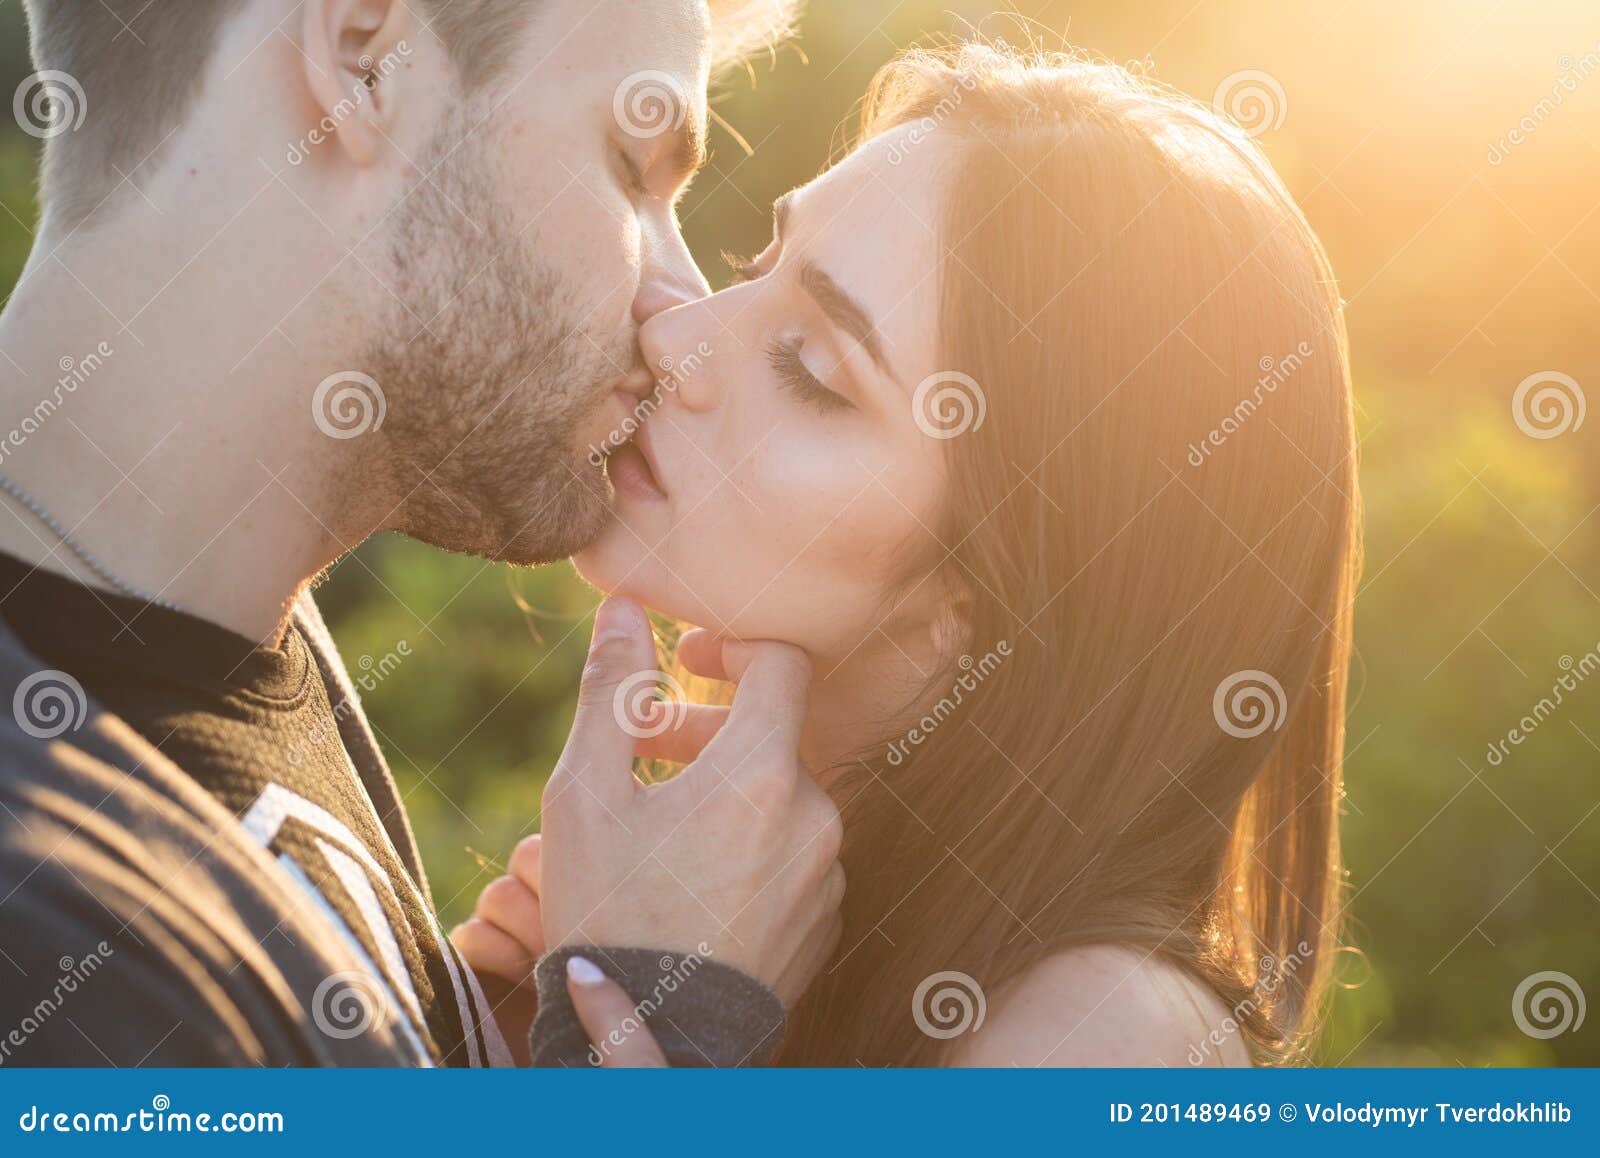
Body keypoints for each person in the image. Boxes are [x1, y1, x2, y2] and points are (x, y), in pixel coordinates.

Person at [460, 39, 1361, 1066]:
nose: (674, 341)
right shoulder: (746, 921)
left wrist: (666, 1028)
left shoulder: (1096, 1034)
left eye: (809, 370)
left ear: (980, 601)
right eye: (757, 269)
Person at [0, 0, 841, 1068]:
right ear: (363, 55)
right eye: (633, 166)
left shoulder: (237, 623)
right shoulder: (47, 941)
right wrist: (670, 1030)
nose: (678, 310)